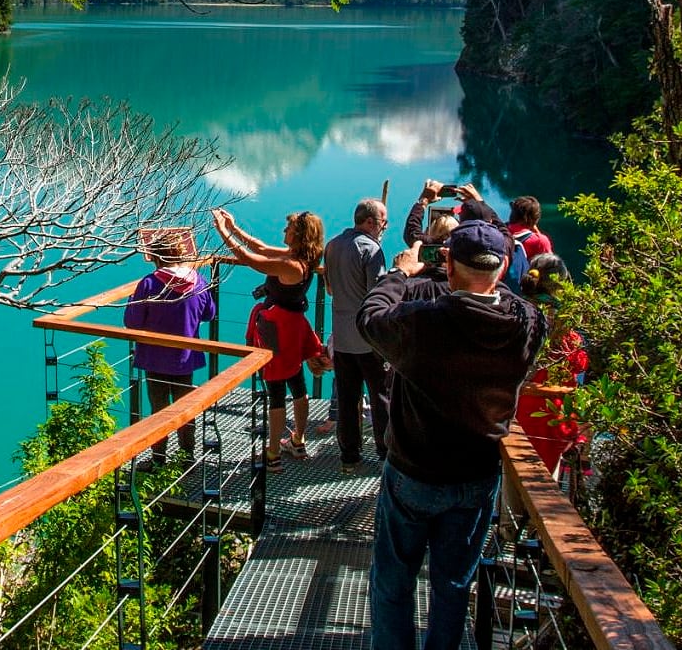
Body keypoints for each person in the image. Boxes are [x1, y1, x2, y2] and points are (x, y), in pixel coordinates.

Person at [358, 221, 547, 650]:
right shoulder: (527, 321)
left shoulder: (424, 323)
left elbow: (370, 319)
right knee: (454, 585)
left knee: (393, 583)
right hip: (477, 476)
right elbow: (509, 305)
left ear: (447, 262)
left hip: (414, 472)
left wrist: (400, 273)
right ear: (501, 269)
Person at [213, 208, 330, 472]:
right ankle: (298, 440)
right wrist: (233, 226)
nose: (283, 232)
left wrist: (221, 231)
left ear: (298, 235)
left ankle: (273, 453)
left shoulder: (289, 264)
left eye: (287, 229)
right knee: (298, 386)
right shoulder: (303, 258)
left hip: (278, 332)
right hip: (295, 326)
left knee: (276, 393)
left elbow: (250, 258)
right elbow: (262, 247)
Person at [124, 231, 218, 472]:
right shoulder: (198, 281)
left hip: (154, 358)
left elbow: (132, 322)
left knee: (159, 410)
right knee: (185, 409)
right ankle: (187, 459)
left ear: (155, 257)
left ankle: (158, 460)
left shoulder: (149, 284)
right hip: (185, 358)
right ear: (181, 254)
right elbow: (209, 313)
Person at [322, 198, 391, 474]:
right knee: (380, 397)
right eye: (383, 222)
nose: (385, 227)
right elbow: (379, 297)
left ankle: (349, 456)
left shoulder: (333, 245)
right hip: (368, 338)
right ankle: (385, 455)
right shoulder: (371, 250)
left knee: (348, 399)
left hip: (342, 337)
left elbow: (329, 288)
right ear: (371, 222)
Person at [515, 253, 588, 478]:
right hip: (552, 416)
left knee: (513, 488)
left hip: (517, 412)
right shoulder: (567, 326)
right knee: (544, 487)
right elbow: (578, 365)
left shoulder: (516, 313)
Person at [405, 181, 529, 292]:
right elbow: (506, 234)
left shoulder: (446, 245)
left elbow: (412, 231)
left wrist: (423, 200)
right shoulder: (497, 246)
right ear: (504, 264)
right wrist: (481, 203)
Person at [507, 195, 554, 261]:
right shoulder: (540, 242)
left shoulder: (498, 231)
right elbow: (551, 265)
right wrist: (537, 233)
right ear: (536, 219)